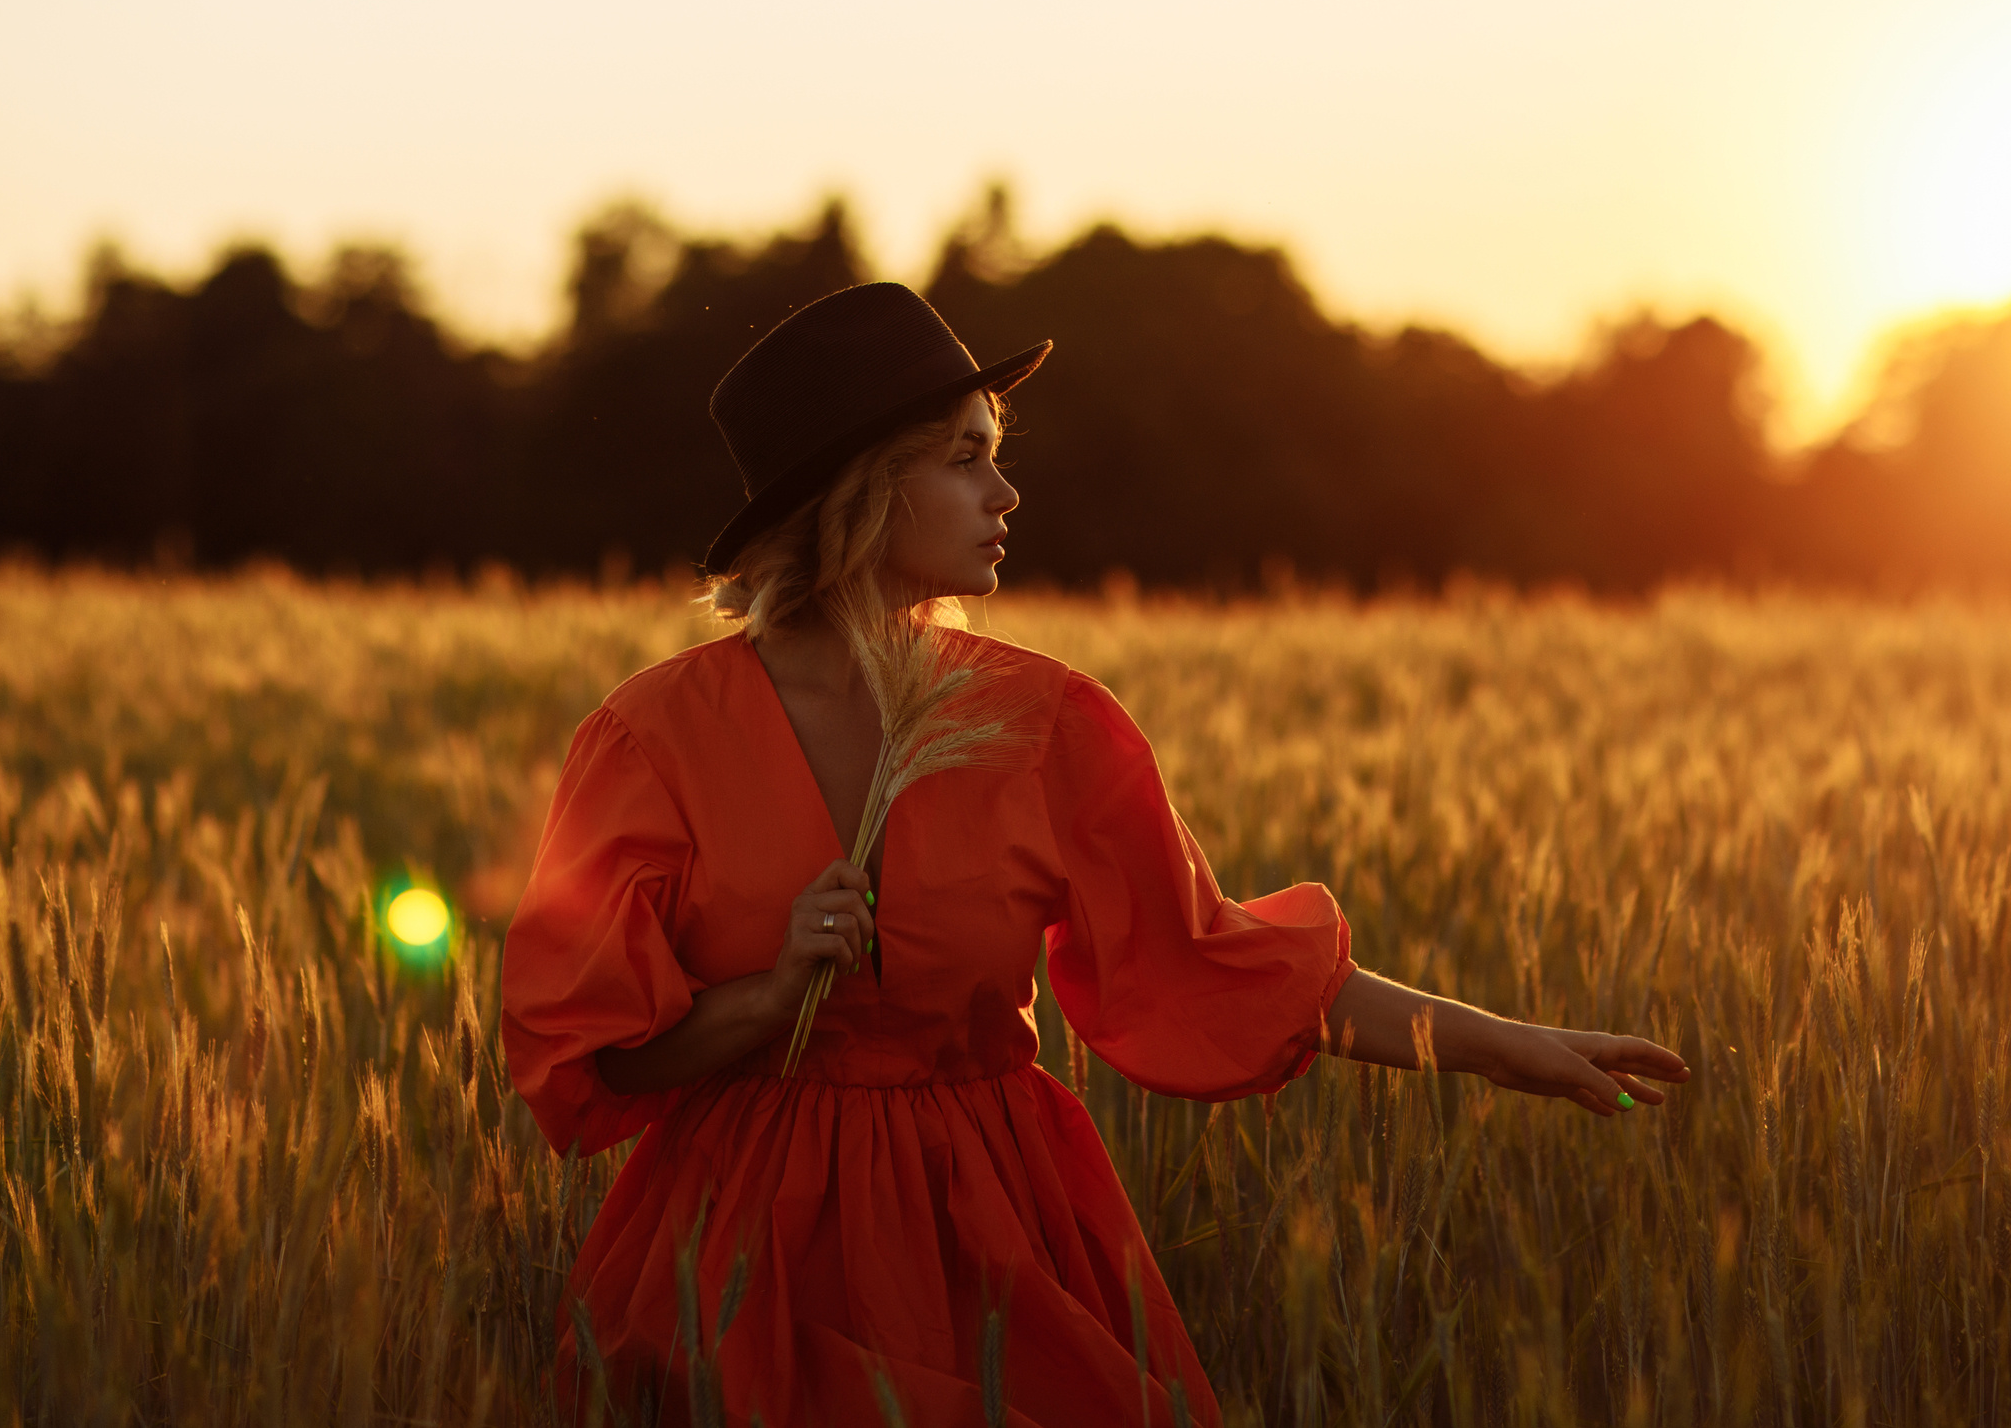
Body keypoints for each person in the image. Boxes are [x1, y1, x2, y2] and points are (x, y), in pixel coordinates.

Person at [499, 283, 1690, 1426]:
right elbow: (602, 1059)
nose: (1006, 493)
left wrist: (1504, 1047)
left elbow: (1221, 961)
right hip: (744, 1251)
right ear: (861, 490)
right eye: (965, 457)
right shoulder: (648, 739)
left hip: (993, 1232)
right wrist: (768, 998)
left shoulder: (1048, 723)